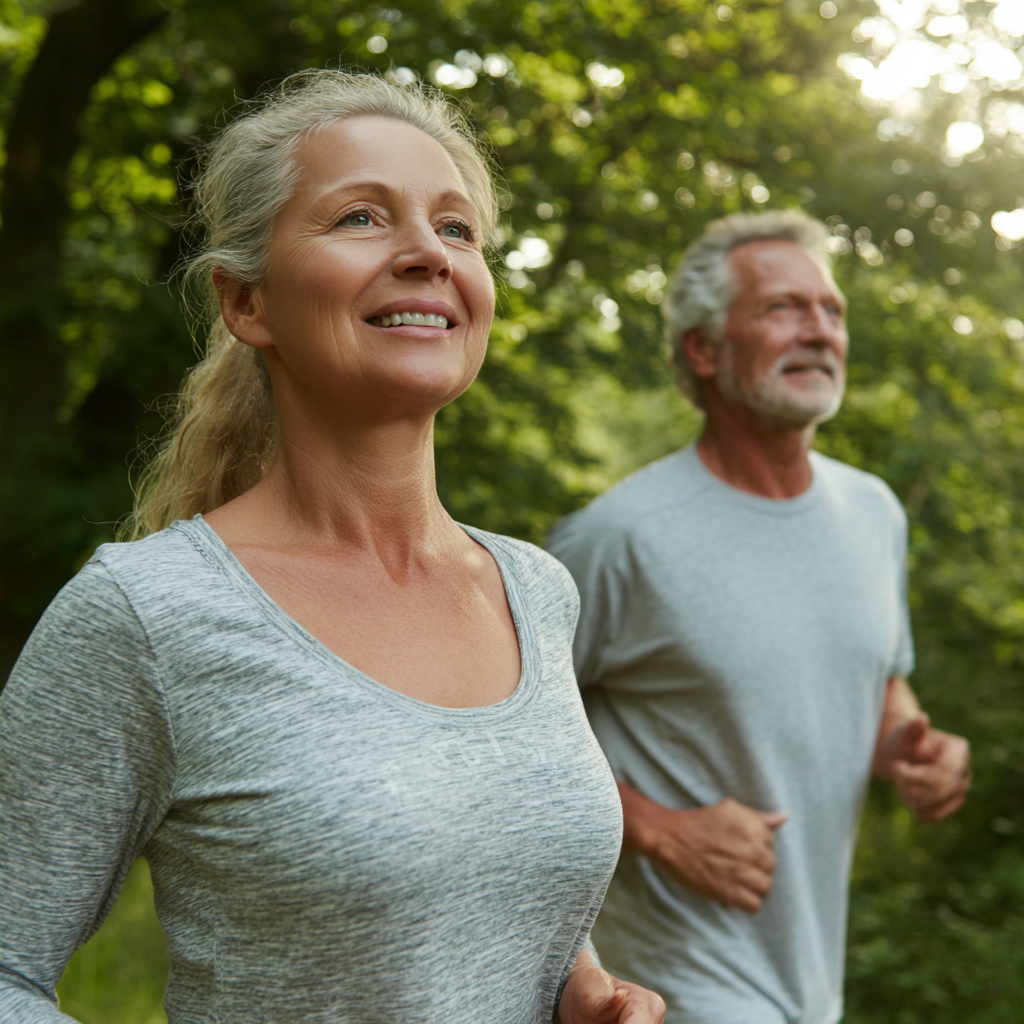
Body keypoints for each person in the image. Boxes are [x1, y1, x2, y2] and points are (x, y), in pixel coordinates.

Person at [0, 71, 665, 1024]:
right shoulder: (148, 614)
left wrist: (581, 991)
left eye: (457, 228)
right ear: (248, 305)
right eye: (360, 217)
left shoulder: (534, 590)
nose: (427, 254)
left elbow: (478, 892)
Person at [546, 211, 971, 1024]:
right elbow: (499, 738)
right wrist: (661, 828)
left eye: (832, 310)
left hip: (810, 979)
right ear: (703, 349)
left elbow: (879, 685)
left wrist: (916, 749)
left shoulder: (874, 512)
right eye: (782, 308)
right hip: (666, 988)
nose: (818, 329)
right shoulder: (619, 539)